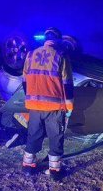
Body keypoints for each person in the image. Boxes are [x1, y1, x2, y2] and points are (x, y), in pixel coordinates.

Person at [22, 27, 74, 181]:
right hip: (55, 106)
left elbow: (24, 80)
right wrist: (69, 107)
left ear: (44, 40)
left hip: (34, 106)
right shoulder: (61, 56)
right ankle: (55, 171)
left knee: (33, 134)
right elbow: (67, 84)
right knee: (56, 137)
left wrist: (30, 98)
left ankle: (28, 167)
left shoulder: (30, 55)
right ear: (57, 40)